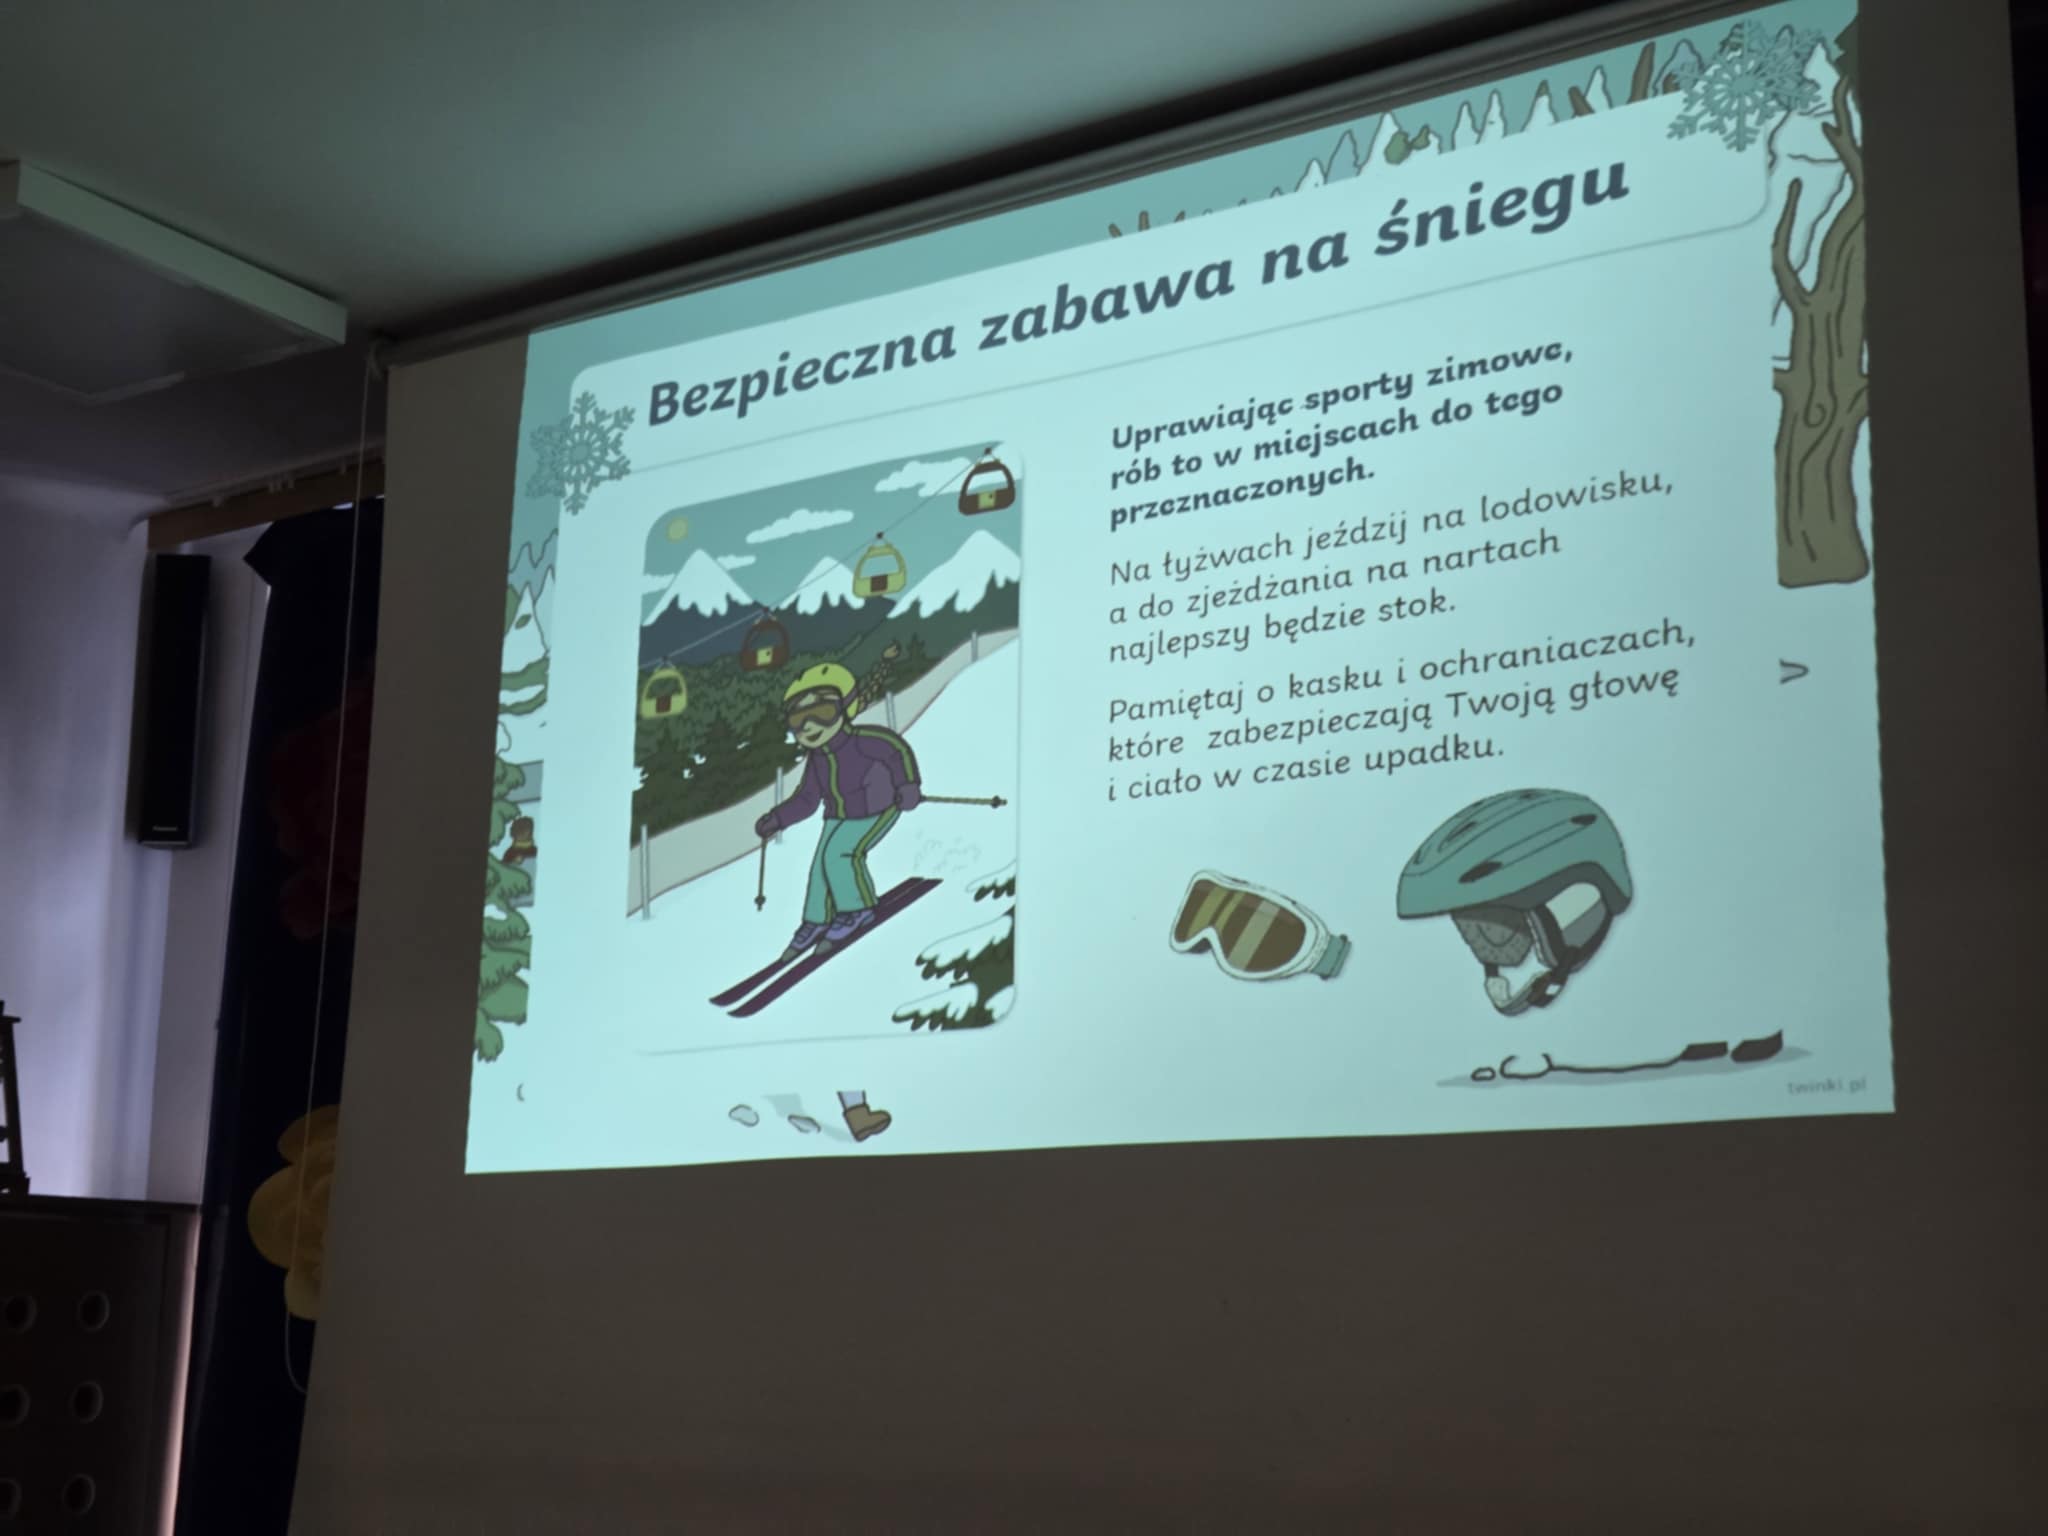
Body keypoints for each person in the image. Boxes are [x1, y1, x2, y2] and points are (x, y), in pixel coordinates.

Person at [755, 663, 921, 961]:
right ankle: (816, 920)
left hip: (877, 807)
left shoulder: (866, 741)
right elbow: (807, 799)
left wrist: (907, 787)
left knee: (840, 855)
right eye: (799, 719)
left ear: (844, 708)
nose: (810, 726)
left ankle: (857, 908)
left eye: (822, 712)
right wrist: (777, 819)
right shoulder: (817, 760)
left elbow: (897, 751)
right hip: (838, 815)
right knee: (820, 865)